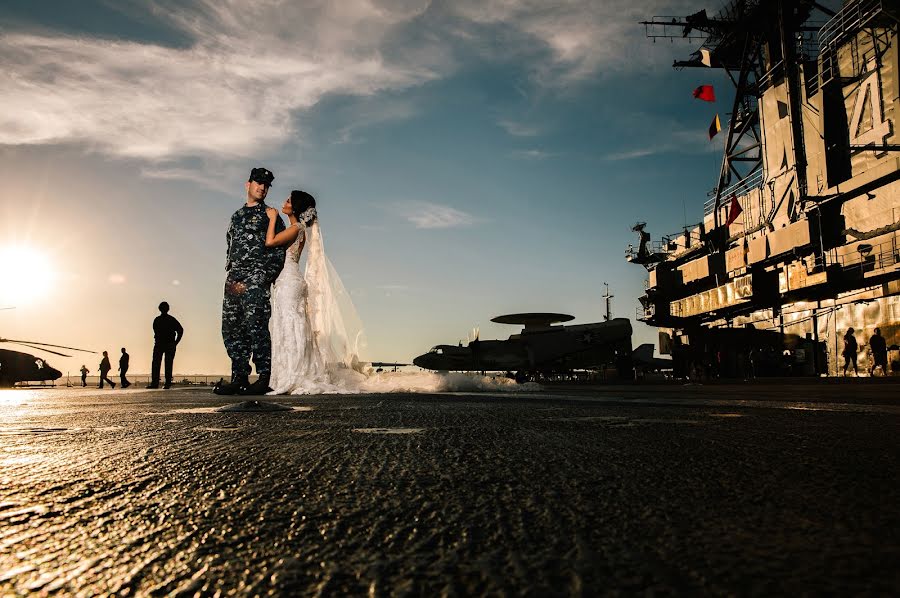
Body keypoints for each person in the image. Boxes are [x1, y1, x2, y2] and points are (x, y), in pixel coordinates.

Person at [264, 190, 366, 394]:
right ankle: (291, 372)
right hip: (290, 281)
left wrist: (273, 218)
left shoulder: (295, 229)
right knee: (292, 326)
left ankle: (292, 374)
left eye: (288, 200)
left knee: (289, 326)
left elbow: (270, 242)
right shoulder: (298, 229)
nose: (284, 202)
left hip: (289, 281)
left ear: (295, 208)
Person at [215, 167, 286, 395]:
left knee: (257, 328)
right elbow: (230, 243)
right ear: (248, 184)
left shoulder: (270, 215)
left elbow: (278, 248)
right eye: (259, 183)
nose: (262, 187)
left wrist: (265, 276)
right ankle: (240, 377)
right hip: (234, 280)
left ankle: (264, 376)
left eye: (266, 185)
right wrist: (230, 270)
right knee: (232, 329)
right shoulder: (236, 216)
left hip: (255, 279)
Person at [148, 301, 184, 389]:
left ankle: (157, 383)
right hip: (166, 344)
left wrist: (175, 343)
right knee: (165, 363)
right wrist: (175, 343)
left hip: (164, 344)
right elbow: (180, 330)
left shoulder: (158, 320)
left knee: (158, 363)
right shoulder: (169, 320)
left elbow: (180, 330)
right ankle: (164, 383)